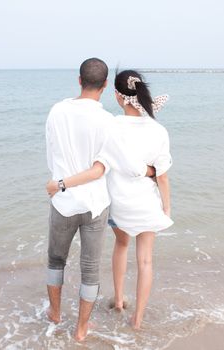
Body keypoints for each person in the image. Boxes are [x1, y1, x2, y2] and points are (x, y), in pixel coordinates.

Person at [47, 69, 173, 330]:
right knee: (146, 259)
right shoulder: (159, 130)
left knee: (121, 245)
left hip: (117, 202)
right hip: (145, 203)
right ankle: (137, 319)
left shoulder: (111, 124)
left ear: (117, 95)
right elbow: (162, 176)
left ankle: (118, 300)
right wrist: (166, 207)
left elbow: (103, 164)